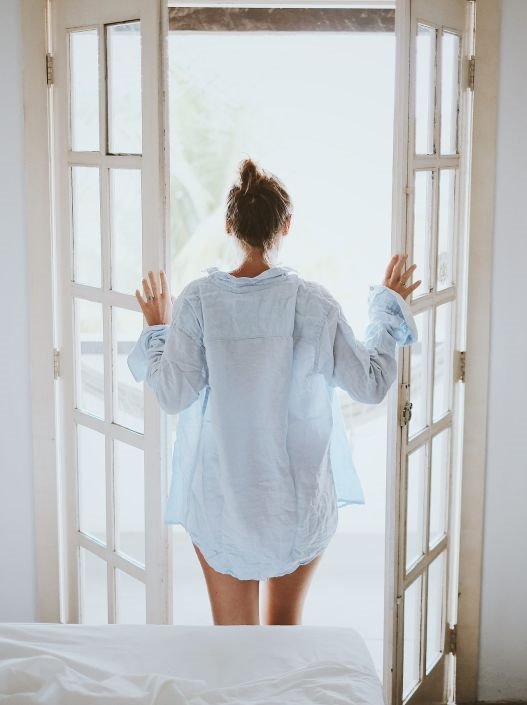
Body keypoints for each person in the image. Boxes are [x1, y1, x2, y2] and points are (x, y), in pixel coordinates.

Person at [127, 157, 421, 626]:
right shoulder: (314, 302)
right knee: (284, 634)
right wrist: (388, 312)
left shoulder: (199, 300)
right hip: (296, 505)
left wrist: (158, 328)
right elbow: (369, 384)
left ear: (230, 225)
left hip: (222, 504)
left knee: (235, 641)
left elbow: (173, 395)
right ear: (286, 226)